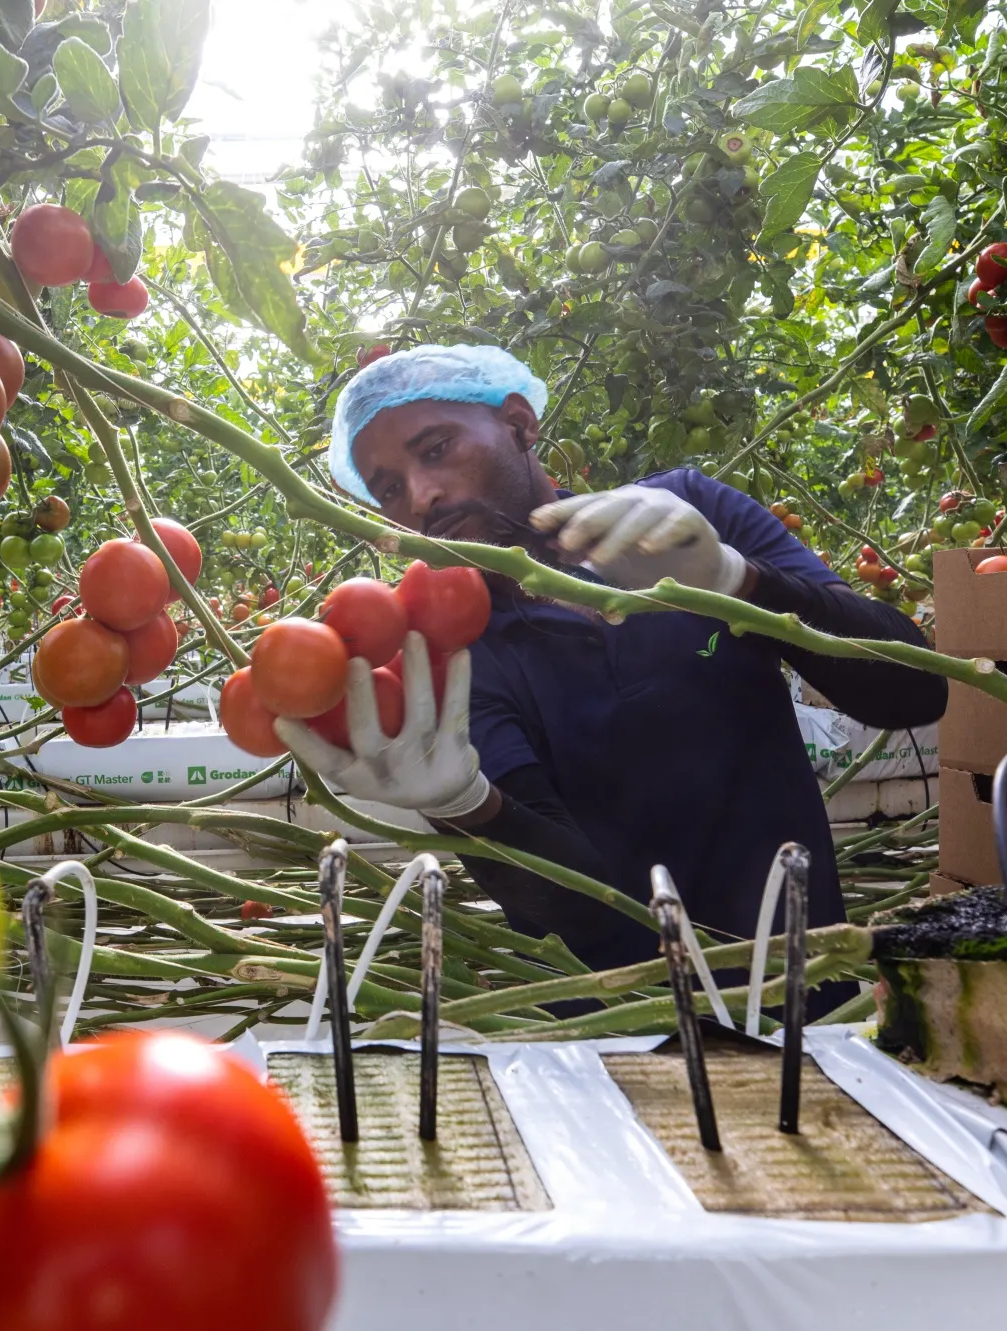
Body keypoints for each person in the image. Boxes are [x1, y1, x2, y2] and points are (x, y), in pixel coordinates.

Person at [276, 344, 947, 988]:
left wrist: (739, 580)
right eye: (389, 487)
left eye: (436, 448)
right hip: (611, 1039)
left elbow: (915, 691)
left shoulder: (690, 514)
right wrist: (467, 808)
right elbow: (590, 918)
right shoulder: (454, 653)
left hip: (806, 993)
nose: (421, 496)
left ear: (518, 422)